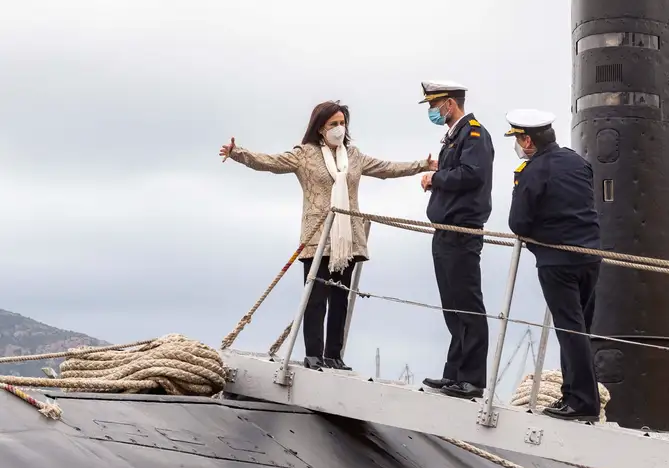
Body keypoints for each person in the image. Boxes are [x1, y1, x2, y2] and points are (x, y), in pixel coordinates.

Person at [219, 100, 435, 372]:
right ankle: (313, 354)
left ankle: (334, 355)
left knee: (340, 297)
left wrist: (422, 165)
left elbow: (386, 168)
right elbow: (270, 162)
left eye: (342, 123)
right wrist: (238, 153)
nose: (339, 129)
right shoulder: (305, 154)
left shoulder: (354, 156)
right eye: (333, 124)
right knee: (315, 296)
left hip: (349, 238)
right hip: (318, 236)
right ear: (320, 127)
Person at [504, 109, 602, 421]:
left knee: (569, 329)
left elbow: (517, 222)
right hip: (590, 258)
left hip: (557, 261)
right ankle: (572, 394)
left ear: (527, 140)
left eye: (518, 139)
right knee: (580, 329)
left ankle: (583, 401)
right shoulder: (578, 161)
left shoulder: (532, 171)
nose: (518, 145)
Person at [417, 80, 495, 399]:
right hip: (445, 231)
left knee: (468, 305)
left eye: (435, 106)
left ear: (449, 104)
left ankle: (472, 378)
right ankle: (455, 374)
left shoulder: (474, 132)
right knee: (452, 306)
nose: (434, 112)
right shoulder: (454, 137)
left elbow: (473, 174)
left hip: (462, 230)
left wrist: (436, 178)